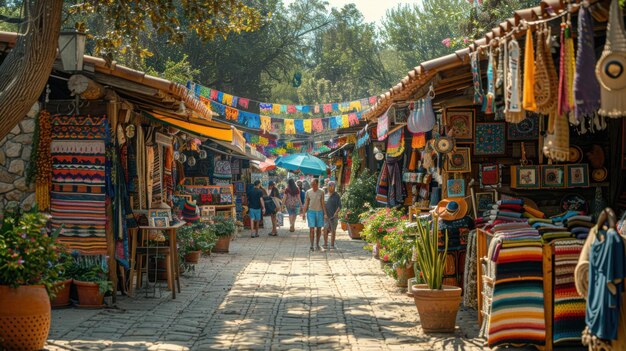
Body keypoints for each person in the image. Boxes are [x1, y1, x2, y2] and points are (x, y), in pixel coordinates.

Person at [302, 178, 325, 251]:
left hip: (319, 212)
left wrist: (325, 213)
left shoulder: (321, 192)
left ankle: (317, 244)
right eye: (312, 184)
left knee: (319, 229)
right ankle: (311, 245)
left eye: (314, 184)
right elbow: (306, 203)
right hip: (311, 212)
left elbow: (322, 203)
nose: (313, 186)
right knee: (311, 229)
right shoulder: (308, 192)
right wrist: (303, 213)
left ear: (317, 184)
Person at [323, 181, 342, 250]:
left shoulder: (337, 195)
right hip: (326, 216)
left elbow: (339, 206)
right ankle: (325, 244)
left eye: (333, 186)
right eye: (330, 185)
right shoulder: (325, 195)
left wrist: (336, 213)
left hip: (334, 216)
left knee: (333, 230)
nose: (331, 187)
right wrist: (324, 214)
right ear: (328, 186)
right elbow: (323, 205)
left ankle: (332, 245)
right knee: (325, 229)